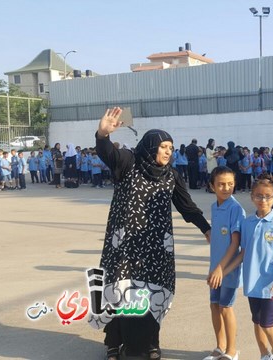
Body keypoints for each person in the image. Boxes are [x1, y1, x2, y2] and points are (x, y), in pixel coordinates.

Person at [88, 108, 211, 360]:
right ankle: (114, 343)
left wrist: (206, 229)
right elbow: (107, 153)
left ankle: (151, 343)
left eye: (170, 147)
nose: (168, 151)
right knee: (119, 290)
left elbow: (187, 207)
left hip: (157, 248)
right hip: (123, 245)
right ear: (150, 146)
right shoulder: (128, 163)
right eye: (163, 146)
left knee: (153, 292)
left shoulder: (172, 176)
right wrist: (103, 134)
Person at [223, 174, 273, 360]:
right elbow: (243, 253)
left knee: (268, 323)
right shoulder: (247, 223)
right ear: (252, 197)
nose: (263, 200)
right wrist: (224, 271)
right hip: (252, 283)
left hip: (271, 284)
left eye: (268, 196)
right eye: (259, 195)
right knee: (257, 321)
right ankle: (264, 354)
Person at [204, 166, 246, 360]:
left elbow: (235, 243)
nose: (226, 188)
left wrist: (221, 269)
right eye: (221, 184)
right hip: (215, 268)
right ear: (212, 186)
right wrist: (214, 268)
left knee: (226, 307)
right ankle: (220, 346)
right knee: (214, 306)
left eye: (230, 184)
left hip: (228, 270)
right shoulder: (215, 207)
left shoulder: (236, 208)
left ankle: (231, 350)